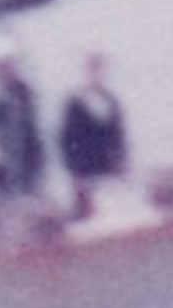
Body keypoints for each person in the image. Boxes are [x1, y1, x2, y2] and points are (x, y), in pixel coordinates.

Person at [0, 40, 47, 202]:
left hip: (25, 167)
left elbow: (23, 135)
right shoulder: (8, 97)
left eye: (2, 67)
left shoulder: (20, 95)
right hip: (15, 167)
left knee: (25, 202)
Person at [56, 54, 130, 218]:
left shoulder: (111, 101)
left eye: (100, 68)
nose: (97, 73)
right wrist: (75, 174)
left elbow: (119, 137)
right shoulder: (74, 103)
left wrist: (122, 164)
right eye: (92, 68)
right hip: (85, 174)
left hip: (109, 171)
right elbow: (67, 141)